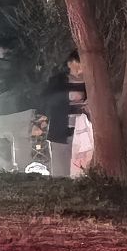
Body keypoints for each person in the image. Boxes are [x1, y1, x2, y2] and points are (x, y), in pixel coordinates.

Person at [37, 51, 87, 179]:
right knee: (60, 171)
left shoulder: (91, 82)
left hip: (85, 135)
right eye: (78, 63)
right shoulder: (58, 80)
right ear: (70, 63)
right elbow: (46, 99)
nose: (81, 67)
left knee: (82, 169)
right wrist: (67, 96)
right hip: (61, 130)